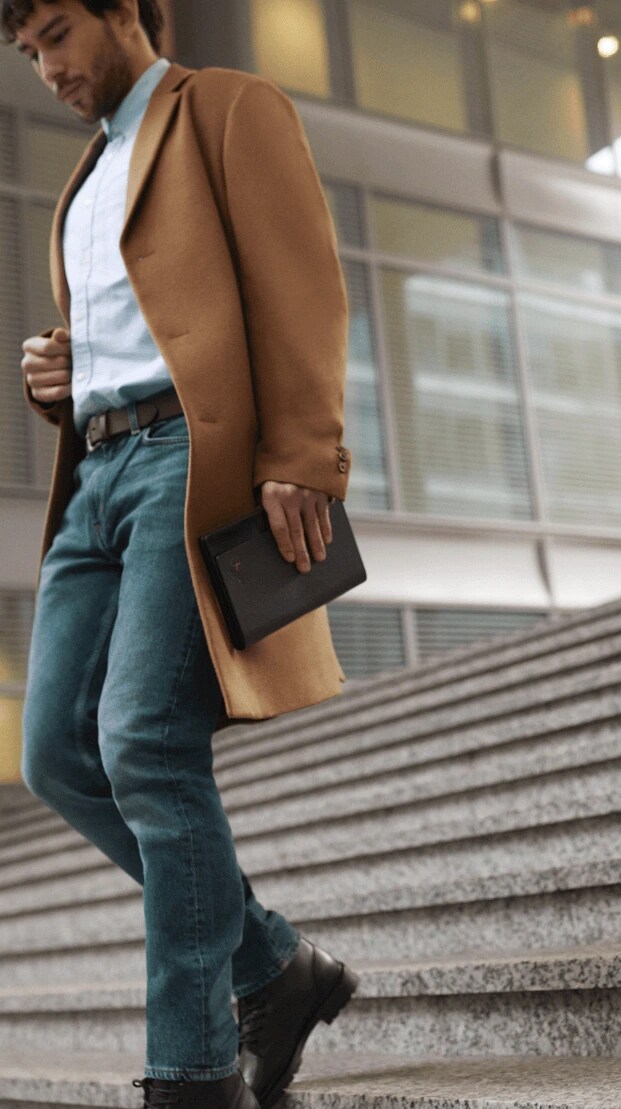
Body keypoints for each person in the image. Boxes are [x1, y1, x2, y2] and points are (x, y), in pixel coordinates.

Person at [3, 1, 359, 1106]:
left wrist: (305, 449)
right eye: (27, 54)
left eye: (57, 33)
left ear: (125, 11)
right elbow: (149, 311)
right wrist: (61, 372)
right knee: (58, 751)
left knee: (146, 743)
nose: (46, 67)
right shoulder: (86, 173)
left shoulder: (226, 109)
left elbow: (302, 281)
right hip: (97, 472)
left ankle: (191, 1073)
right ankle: (274, 965)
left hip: (180, 460)